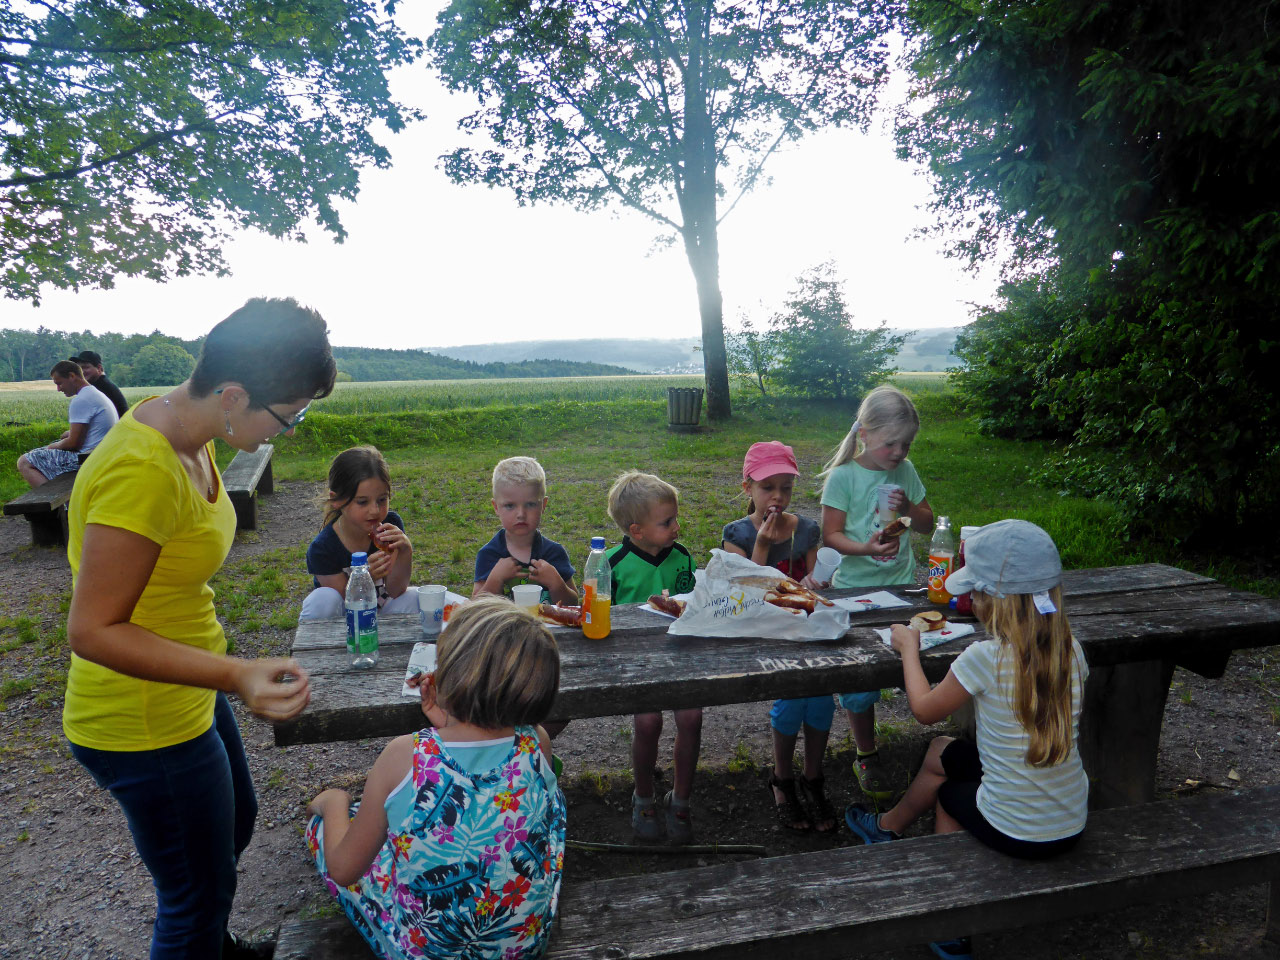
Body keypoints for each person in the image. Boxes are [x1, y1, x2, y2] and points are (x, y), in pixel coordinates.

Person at [63, 297, 336, 960]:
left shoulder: (187, 426)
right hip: (143, 717)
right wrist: (236, 674)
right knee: (193, 895)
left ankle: (215, 945)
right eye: (289, 415)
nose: (290, 430)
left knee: (233, 824)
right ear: (233, 395)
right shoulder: (143, 470)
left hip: (188, 683)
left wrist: (221, 676)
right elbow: (92, 629)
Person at [844, 520, 1088, 960]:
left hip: (1019, 830)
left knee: (950, 797)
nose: (969, 599)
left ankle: (951, 919)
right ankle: (887, 827)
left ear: (994, 602)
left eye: (975, 591)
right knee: (942, 751)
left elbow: (924, 710)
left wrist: (909, 649)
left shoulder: (985, 657)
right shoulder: (1071, 649)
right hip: (1070, 820)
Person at [305, 596, 567, 960]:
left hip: (425, 954)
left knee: (329, 829)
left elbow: (344, 869)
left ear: (450, 677)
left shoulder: (404, 756)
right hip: (523, 948)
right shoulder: (537, 741)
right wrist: (450, 724)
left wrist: (335, 803)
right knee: (552, 806)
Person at [820, 385, 935, 803]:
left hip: (902, 587)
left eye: (906, 444)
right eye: (891, 443)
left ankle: (936, 718)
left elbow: (927, 523)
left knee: (923, 653)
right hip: (856, 591)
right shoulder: (844, 477)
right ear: (865, 435)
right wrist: (865, 548)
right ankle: (866, 751)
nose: (899, 452)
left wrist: (909, 509)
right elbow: (830, 537)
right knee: (860, 679)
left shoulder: (905, 472)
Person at [721, 441, 835, 833]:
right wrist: (763, 545)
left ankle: (813, 776)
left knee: (821, 699)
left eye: (786, 487)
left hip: (806, 628)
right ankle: (782, 778)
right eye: (767, 487)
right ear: (747, 488)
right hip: (763, 633)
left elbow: (815, 581)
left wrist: (820, 579)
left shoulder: (806, 529)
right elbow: (746, 591)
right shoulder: (736, 534)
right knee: (791, 700)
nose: (778, 497)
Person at [605, 470, 700, 843]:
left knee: (691, 718)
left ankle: (681, 799)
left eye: (676, 518)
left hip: (680, 653)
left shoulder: (682, 557)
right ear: (637, 530)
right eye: (667, 522)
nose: (677, 527)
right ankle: (643, 795)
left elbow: (691, 602)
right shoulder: (611, 563)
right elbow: (599, 614)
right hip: (637, 660)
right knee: (647, 723)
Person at [300, 446, 417, 620]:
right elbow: (341, 600)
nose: (375, 510)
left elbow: (396, 590)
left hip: (381, 609)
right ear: (336, 500)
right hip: (343, 619)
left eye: (382, 499)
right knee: (323, 598)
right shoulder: (323, 548)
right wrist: (365, 577)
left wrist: (405, 552)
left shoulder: (390, 527)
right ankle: (314, 637)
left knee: (416, 597)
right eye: (362, 502)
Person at [473, 456, 577, 606]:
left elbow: (573, 604)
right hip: (503, 622)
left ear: (543, 505)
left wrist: (556, 583)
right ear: (496, 507)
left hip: (545, 622)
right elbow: (475, 607)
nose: (521, 514)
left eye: (530, 504)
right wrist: (495, 579)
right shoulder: (489, 554)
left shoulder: (554, 553)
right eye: (510, 506)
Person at [16, 360, 118, 487]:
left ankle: (52, 498)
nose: (58, 389)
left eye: (59, 383)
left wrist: (52, 446)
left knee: (24, 462)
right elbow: (94, 429)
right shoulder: (95, 394)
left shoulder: (81, 400)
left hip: (86, 459)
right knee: (43, 452)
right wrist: (69, 434)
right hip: (101, 453)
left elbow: (73, 444)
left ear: (72, 376)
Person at [71, 349, 129, 417]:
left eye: (86, 367)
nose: (82, 372)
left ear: (99, 368)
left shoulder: (101, 388)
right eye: (79, 369)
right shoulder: (102, 384)